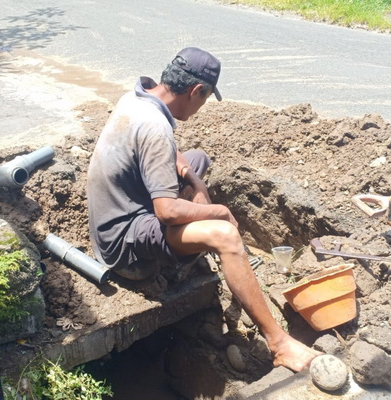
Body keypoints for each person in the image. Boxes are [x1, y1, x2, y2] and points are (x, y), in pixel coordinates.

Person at [87, 47, 321, 372]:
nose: (202, 106)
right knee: (224, 235)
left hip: (115, 209)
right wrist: (219, 213)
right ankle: (279, 343)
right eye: (206, 98)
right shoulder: (155, 128)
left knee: (197, 159)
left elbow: (174, 152)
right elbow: (167, 212)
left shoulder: (139, 97)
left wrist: (196, 183)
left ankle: (196, 234)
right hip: (123, 244)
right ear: (197, 91)